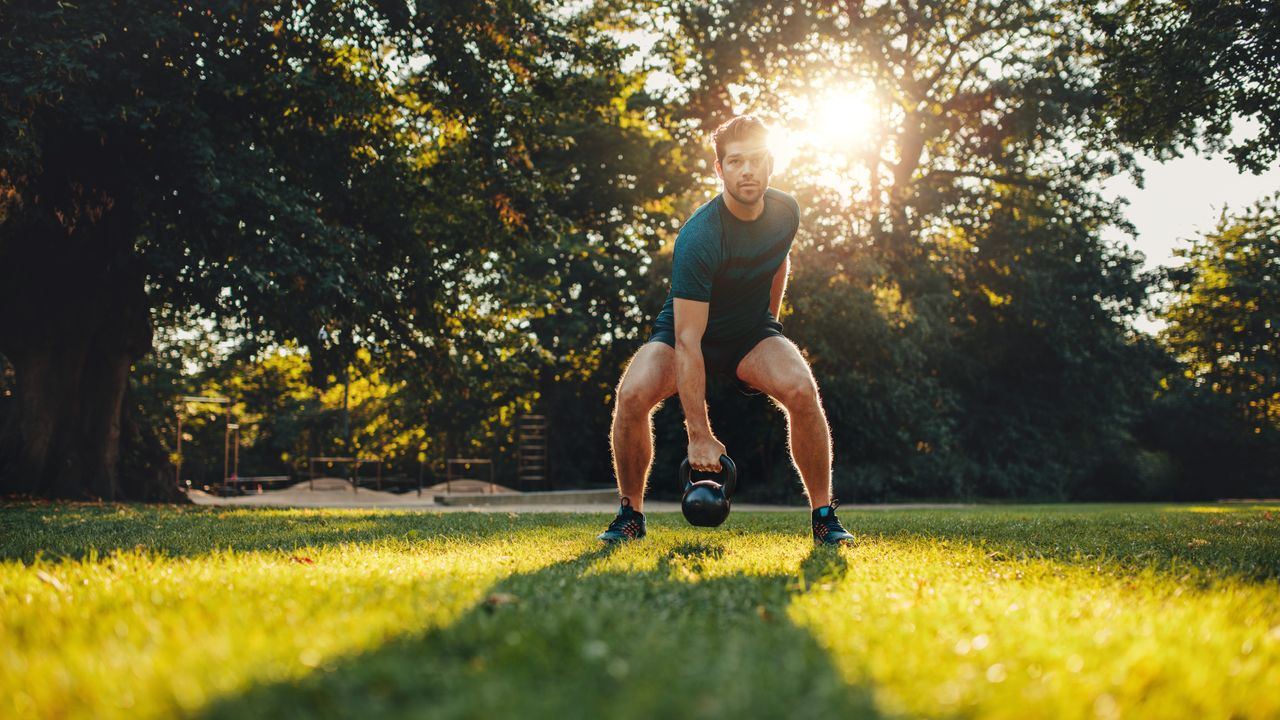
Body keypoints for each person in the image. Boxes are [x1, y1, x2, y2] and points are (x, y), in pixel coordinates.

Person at [598, 115, 854, 545]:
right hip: (685, 334)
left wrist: (769, 325)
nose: (747, 170)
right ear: (720, 170)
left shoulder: (786, 211)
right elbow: (688, 340)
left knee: (802, 389)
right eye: (735, 161)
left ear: (771, 163)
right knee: (631, 395)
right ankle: (630, 516)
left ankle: (824, 516)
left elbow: (778, 260)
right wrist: (699, 435)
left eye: (755, 160)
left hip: (749, 333)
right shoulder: (700, 237)